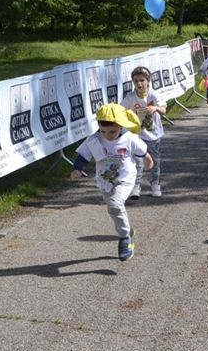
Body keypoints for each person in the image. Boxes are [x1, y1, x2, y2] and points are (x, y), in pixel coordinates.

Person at [70, 104, 153, 261]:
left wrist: (149, 162)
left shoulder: (130, 139)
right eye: (103, 131)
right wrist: (77, 169)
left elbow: (144, 154)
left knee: (114, 205)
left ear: (120, 126)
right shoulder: (94, 140)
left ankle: (125, 240)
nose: (108, 135)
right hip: (105, 181)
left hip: (125, 178)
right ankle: (127, 230)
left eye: (113, 132)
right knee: (113, 208)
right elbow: (82, 157)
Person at [121, 66, 167, 198]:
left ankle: (155, 183)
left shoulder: (154, 94)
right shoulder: (130, 97)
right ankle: (136, 186)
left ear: (148, 81)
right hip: (136, 135)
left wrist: (156, 108)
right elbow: (121, 110)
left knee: (155, 160)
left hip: (153, 135)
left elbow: (164, 110)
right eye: (136, 81)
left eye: (142, 80)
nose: (139, 84)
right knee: (137, 161)